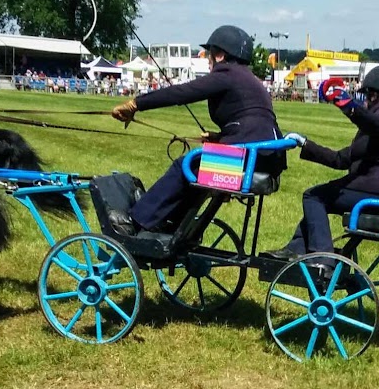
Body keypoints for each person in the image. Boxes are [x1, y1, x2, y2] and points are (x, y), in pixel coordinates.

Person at [107, 25, 284, 235]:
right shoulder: (249, 79)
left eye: (210, 54)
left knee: (187, 164)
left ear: (219, 55)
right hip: (268, 157)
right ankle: (170, 222)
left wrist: (136, 104)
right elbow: (254, 120)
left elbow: (182, 93)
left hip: (251, 156)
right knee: (198, 169)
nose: (208, 59)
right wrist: (223, 137)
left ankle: (134, 220)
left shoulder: (227, 74)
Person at [263, 65, 379, 259]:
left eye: (366, 96)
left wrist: (345, 103)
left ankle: (322, 258)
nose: (365, 102)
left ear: (374, 95)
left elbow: (376, 124)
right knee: (319, 197)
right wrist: (305, 144)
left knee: (314, 196)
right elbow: (341, 159)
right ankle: (296, 248)